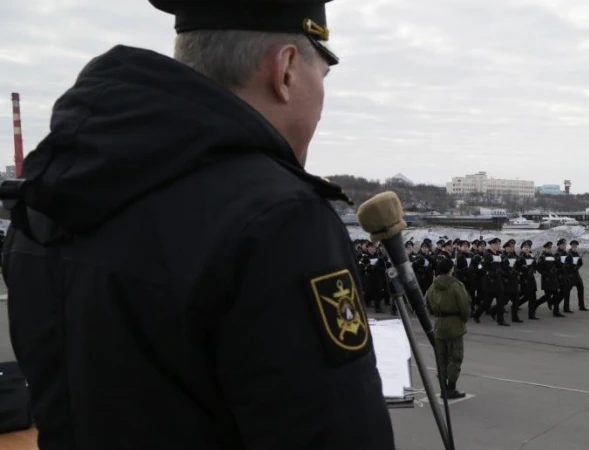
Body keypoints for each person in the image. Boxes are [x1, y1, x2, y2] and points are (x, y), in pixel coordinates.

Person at [0, 0, 396, 448]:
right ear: (285, 70)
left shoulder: (48, 197)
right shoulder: (280, 219)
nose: (322, 105)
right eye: (322, 78)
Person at [425, 258, 473, 399]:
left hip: (439, 324)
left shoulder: (432, 286)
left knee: (441, 358)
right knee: (455, 357)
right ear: (451, 269)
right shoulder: (456, 285)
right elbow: (464, 305)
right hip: (454, 324)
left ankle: (443, 387)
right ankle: (451, 388)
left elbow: (427, 303)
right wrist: (463, 319)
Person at [567, 240, 588, 311]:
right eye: (573, 245)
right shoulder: (569, 253)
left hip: (576, 273)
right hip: (570, 274)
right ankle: (566, 307)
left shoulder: (576, 253)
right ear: (571, 246)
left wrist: (579, 263)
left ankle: (581, 306)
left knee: (581, 287)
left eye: (575, 246)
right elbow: (567, 264)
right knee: (567, 290)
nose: (574, 247)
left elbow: (580, 263)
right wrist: (573, 267)